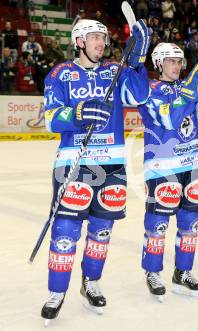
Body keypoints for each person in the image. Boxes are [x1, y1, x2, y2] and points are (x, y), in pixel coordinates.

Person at [40, 19, 151, 324]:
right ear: (79, 41)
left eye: (103, 37)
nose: (101, 42)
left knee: (101, 232)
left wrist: (139, 59)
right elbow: (50, 118)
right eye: (94, 37)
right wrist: (77, 113)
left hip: (112, 163)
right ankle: (57, 291)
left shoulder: (116, 70)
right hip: (73, 163)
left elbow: (140, 96)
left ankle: (90, 282)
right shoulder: (61, 73)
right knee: (65, 232)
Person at [137, 43, 198, 301]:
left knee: (190, 223)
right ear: (159, 63)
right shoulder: (149, 91)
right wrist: (195, 84)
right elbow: (170, 119)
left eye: (179, 61)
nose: (177, 66)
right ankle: (152, 272)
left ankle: (183, 272)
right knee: (158, 224)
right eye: (171, 61)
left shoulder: (185, 88)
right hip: (162, 167)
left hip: (191, 164)